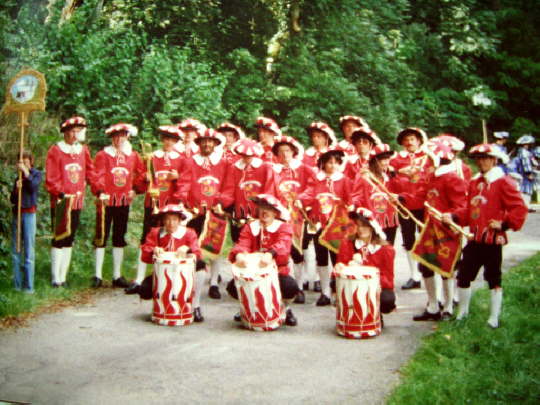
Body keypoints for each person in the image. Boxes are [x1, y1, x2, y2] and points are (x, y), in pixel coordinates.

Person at [454, 144, 528, 328]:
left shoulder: (503, 181)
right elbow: (470, 210)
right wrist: (454, 216)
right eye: (478, 158)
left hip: (492, 240)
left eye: (486, 158)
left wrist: (504, 224)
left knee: (493, 278)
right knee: (463, 275)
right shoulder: (474, 182)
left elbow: (519, 208)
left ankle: (493, 318)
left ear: (494, 160)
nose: (482, 162)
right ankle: (462, 313)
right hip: (474, 238)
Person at [399, 141, 468, 321]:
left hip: (447, 231)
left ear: (439, 159)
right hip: (429, 228)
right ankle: (432, 306)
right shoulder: (431, 178)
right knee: (426, 266)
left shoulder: (453, 179)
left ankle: (447, 307)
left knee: (446, 268)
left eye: (430, 158)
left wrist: (452, 216)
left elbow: (462, 206)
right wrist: (401, 198)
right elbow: (419, 198)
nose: (427, 162)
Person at [126, 125, 185, 294]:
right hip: (152, 203)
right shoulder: (151, 157)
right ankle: (138, 279)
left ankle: (168, 276)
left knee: (171, 238)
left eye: (171, 140)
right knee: (147, 239)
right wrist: (143, 179)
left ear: (176, 142)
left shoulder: (181, 160)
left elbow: (187, 181)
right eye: (165, 139)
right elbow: (140, 181)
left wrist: (178, 178)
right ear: (162, 140)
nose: (168, 142)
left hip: (171, 206)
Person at [227, 194, 299, 326]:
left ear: (275, 212)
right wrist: (239, 255)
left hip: (278, 271)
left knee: (290, 287)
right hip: (253, 272)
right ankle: (246, 307)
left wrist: (271, 253)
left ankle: (285, 308)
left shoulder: (283, 227)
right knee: (232, 286)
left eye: (268, 208)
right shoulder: (251, 227)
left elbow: (284, 244)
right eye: (261, 207)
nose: (264, 211)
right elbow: (243, 242)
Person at [177, 128, 229, 299]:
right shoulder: (190, 162)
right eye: (203, 141)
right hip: (195, 211)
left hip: (215, 211)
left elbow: (227, 186)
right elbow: (183, 184)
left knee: (215, 246)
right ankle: (192, 279)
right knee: (194, 246)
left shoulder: (223, 163)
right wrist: (185, 201)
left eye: (210, 141)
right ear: (198, 144)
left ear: (215, 144)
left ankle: (214, 282)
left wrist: (221, 203)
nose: (207, 144)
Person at [91, 123, 145, 288]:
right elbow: (96, 175)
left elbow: (142, 174)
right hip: (106, 201)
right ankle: (97, 275)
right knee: (101, 235)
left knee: (119, 237)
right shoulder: (103, 155)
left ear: (127, 136)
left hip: (123, 201)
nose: (119, 139)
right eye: (115, 136)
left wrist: (136, 189)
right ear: (111, 138)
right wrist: (100, 192)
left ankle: (116, 275)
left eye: (122, 136)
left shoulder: (133, 156)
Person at [45, 116, 96, 287]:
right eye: (72, 131)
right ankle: (55, 278)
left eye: (78, 131)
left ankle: (63, 277)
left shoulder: (83, 150)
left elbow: (90, 171)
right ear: (65, 132)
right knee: (59, 237)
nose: (74, 135)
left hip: (77, 201)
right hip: (61, 201)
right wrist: (58, 191)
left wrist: (98, 187)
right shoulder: (56, 150)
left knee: (70, 238)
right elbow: (51, 176)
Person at [298, 149, 352, 306]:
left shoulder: (345, 180)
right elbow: (309, 193)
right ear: (323, 164)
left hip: (338, 226)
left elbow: (350, 199)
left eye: (336, 162)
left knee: (337, 258)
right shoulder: (317, 180)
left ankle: (339, 292)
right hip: (319, 223)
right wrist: (301, 200)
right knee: (321, 258)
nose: (332, 166)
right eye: (329, 162)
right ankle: (325, 292)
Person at [136, 204, 207, 322]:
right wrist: (154, 250)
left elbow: (197, 253)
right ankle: (160, 307)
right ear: (162, 220)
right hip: (163, 275)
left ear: (180, 220)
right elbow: (145, 254)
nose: (170, 223)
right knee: (144, 289)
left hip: (184, 275)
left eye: (174, 219)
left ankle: (195, 306)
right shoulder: (156, 232)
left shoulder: (189, 233)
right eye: (167, 219)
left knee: (201, 268)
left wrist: (188, 250)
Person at [271, 135, 313, 303]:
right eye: (280, 152)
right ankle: (278, 285)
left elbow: (313, 184)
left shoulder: (303, 168)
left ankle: (299, 287)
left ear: (293, 152)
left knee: (298, 251)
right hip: (280, 215)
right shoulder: (273, 170)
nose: (284, 155)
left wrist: (303, 198)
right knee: (280, 250)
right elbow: (269, 189)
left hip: (299, 215)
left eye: (287, 151)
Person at [334, 207, 396, 320]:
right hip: (351, 285)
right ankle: (350, 315)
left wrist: (364, 272)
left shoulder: (386, 249)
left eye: (364, 225)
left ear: (372, 227)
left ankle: (376, 314)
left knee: (387, 299)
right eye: (358, 225)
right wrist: (341, 268)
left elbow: (389, 281)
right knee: (334, 283)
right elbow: (339, 266)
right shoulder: (348, 243)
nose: (361, 229)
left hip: (376, 286)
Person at [390, 127, 431, 290]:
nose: (409, 142)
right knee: (408, 240)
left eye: (412, 138)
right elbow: (391, 176)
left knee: (426, 237)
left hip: (424, 204)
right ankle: (414, 275)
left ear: (419, 140)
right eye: (406, 139)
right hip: (405, 203)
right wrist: (399, 172)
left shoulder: (428, 157)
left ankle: (428, 269)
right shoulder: (398, 159)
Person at [220, 138, 276, 243]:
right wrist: (222, 204)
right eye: (244, 155)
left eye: (249, 156)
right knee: (240, 241)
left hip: (259, 211)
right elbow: (229, 190)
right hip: (239, 211)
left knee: (260, 241)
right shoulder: (234, 168)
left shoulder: (265, 167)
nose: (247, 158)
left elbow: (269, 191)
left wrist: (265, 209)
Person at [352, 143, 399, 244]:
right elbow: (356, 196)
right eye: (383, 159)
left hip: (390, 218)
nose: (386, 162)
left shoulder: (388, 175)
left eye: (388, 159)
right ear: (375, 160)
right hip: (372, 218)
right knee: (374, 250)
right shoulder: (364, 175)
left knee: (389, 248)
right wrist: (360, 212)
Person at [10, 151, 42, 293]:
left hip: (29, 215)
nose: (24, 164)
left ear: (31, 162)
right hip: (17, 215)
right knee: (16, 250)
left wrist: (26, 173)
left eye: (26, 162)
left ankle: (28, 287)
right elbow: (12, 200)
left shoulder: (35, 174)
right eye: (21, 162)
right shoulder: (18, 178)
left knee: (29, 251)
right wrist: (16, 190)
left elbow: (33, 187)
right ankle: (17, 285)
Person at [510, 134, 537, 211]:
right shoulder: (524, 152)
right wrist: (528, 173)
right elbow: (526, 163)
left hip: (521, 173)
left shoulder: (520, 152)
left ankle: (524, 205)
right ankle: (525, 206)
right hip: (523, 174)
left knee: (523, 189)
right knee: (525, 189)